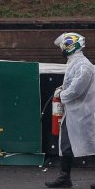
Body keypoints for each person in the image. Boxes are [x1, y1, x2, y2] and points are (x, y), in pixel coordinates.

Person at [45, 33, 95, 188]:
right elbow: (72, 85)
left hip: (84, 113)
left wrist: (62, 93)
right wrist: (63, 89)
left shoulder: (83, 65)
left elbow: (76, 89)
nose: (61, 49)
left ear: (70, 46)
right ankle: (64, 177)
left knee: (91, 144)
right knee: (66, 144)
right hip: (74, 112)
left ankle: (64, 177)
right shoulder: (75, 63)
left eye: (63, 46)